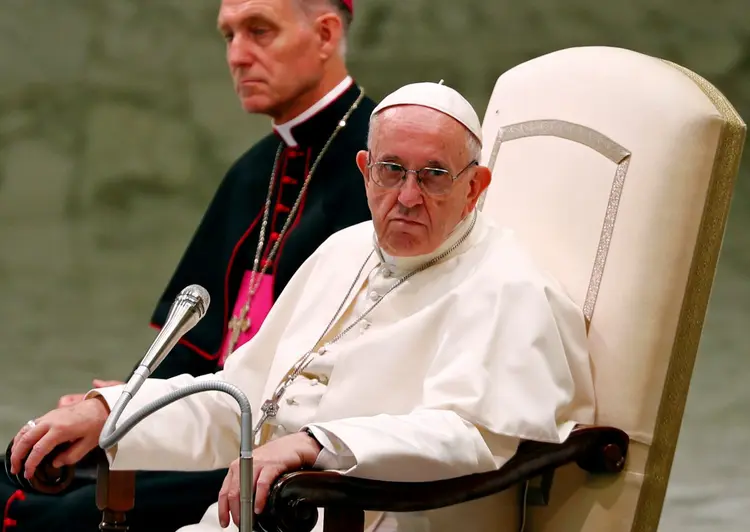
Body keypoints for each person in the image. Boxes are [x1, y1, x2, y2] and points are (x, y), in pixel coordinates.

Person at [9, 82, 596, 532]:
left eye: (435, 176)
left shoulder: (509, 286)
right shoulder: (345, 250)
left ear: (476, 186)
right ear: (366, 171)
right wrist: (111, 414)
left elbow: (473, 437)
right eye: (391, 171)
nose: (408, 197)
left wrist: (318, 443)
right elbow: (238, 400)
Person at [1, 0, 376, 530]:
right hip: (206, 418)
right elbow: (195, 350)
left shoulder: (382, 176)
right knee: (19, 468)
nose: (238, 56)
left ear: (324, 34)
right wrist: (118, 402)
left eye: (259, 31)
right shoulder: (254, 173)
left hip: (276, 449)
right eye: (228, 35)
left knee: (55, 515)